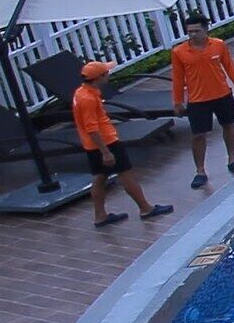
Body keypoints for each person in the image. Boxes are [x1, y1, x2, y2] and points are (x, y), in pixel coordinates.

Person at [70, 61, 173, 233]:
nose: (109, 75)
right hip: (105, 143)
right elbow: (92, 128)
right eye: (106, 73)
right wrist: (106, 152)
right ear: (99, 77)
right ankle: (145, 208)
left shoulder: (81, 93)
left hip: (92, 145)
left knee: (100, 177)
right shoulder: (87, 99)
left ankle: (100, 216)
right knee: (125, 174)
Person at [167, 10, 234, 187]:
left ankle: (232, 159)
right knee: (198, 135)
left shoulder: (218, 45)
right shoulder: (179, 52)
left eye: (196, 31)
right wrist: (177, 101)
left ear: (205, 29)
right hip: (197, 100)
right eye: (189, 31)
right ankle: (200, 170)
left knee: (229, 126)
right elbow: (177, 78)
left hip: (222, 94)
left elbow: (230, 67)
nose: (193, 34)